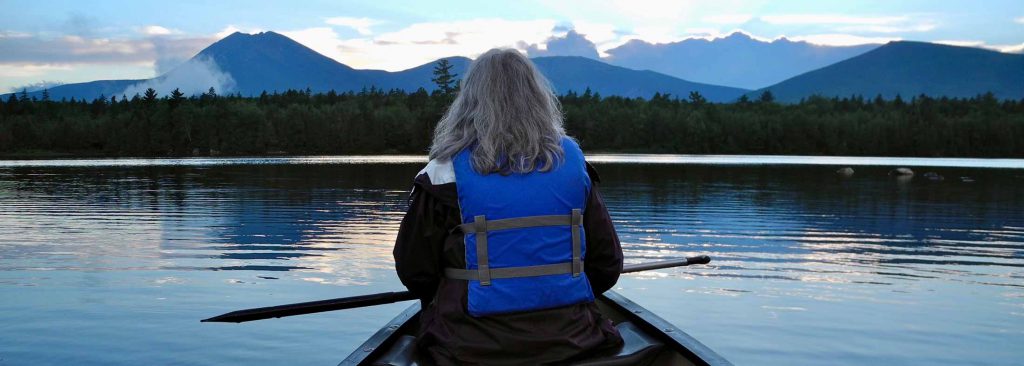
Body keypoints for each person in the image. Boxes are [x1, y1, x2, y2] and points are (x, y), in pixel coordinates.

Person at [393, 48, 624, 365]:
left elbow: (414, 272)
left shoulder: (441, 173)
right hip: (572, 340)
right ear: (538, 98)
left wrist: (455, 295)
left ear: (468, 102)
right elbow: (607, 266)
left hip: (465, 347)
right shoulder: (573, 165)